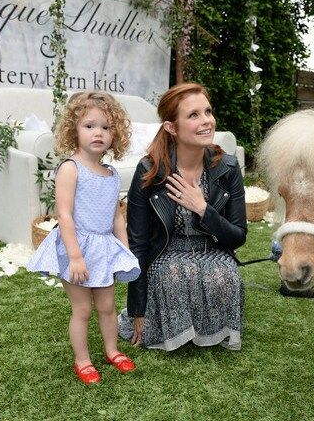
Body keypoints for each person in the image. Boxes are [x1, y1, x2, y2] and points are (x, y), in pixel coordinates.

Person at [118, 82, 247, 351]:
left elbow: (237, 237)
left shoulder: (229, 167)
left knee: (224, 274)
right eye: (193, 115)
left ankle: (207, 326)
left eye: (208, 112)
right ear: (171, 127)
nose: (206, 122)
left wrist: (203, 208)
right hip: (165, 254)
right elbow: (139, 245)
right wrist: (138, 311)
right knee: (176, 273)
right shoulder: (149, 173)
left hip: (212, 250)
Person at [27, 91, 141, 384]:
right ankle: (83, 359)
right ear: (73, 130)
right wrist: (75, 255)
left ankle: (112, 350)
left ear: (115, 134)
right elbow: (64, 215)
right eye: (89, 126)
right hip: (75, 247)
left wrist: (124, 250)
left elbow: (116, 216)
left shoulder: (111, 174)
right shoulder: (70, 168)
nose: (98, 133)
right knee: (83, 308)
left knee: (107, 306)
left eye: (106, 127)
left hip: (103, 249)